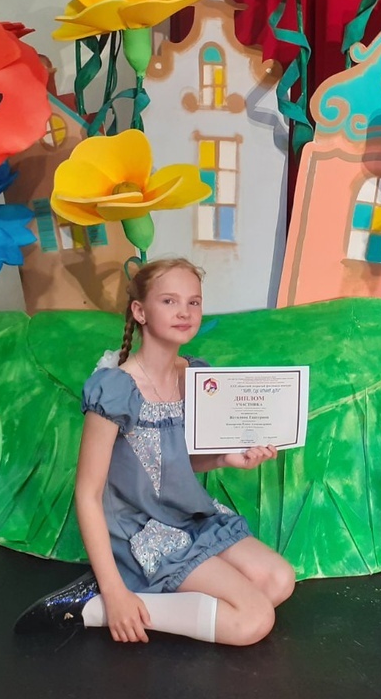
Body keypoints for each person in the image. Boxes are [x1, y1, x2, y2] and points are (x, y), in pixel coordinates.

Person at [17, 258, 295, 644]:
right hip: (140, 529)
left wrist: (225, 458)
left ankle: (151, 599)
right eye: (169, 301)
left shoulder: (198, 375)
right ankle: (98, 604)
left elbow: (177, 460)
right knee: (254, 620)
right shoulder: (115, 388)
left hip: (188, 516)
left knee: (279, 580)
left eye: (193, 302)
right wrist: (115, 592)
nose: (184, 312)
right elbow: (88, 493)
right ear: (139, 311)